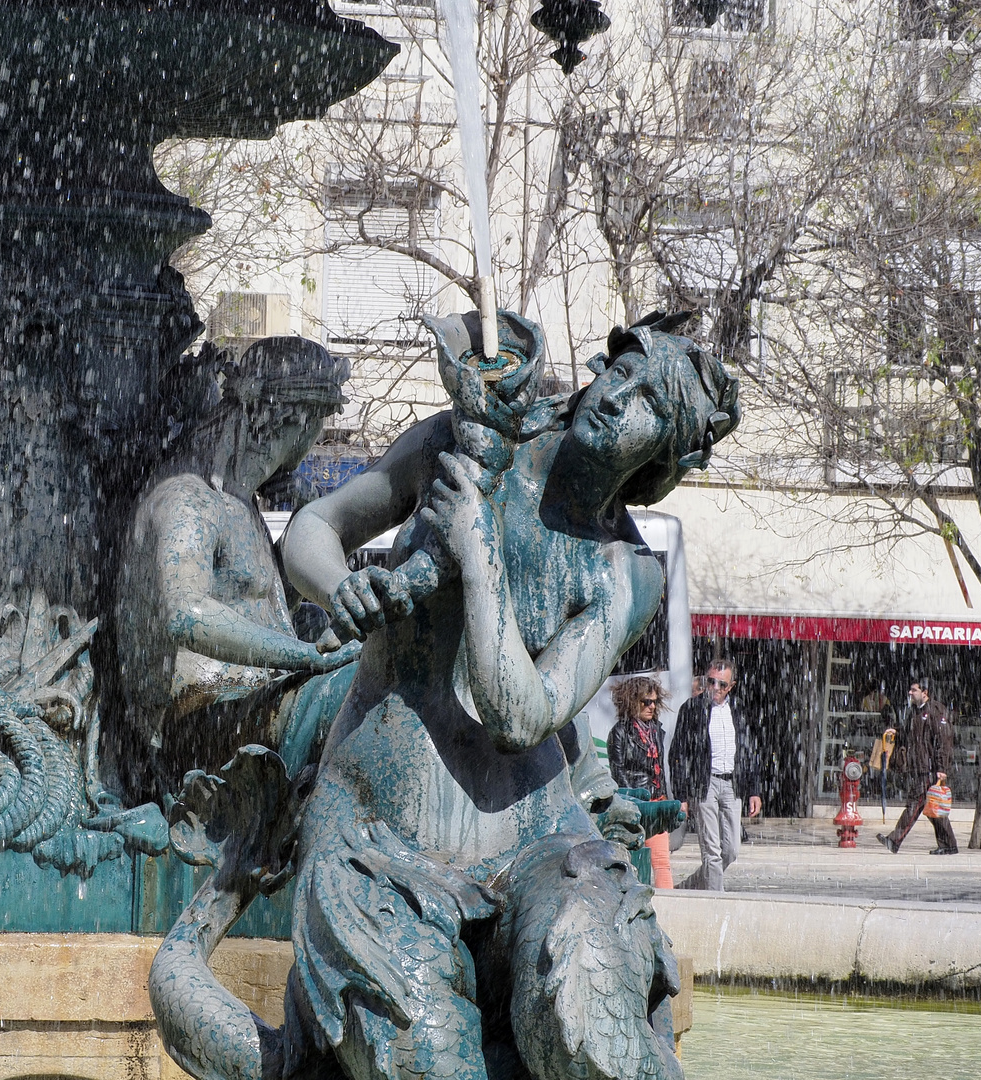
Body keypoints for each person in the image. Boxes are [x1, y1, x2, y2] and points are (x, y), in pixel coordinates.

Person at [264, 309, 736, 1078]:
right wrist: (339, 587)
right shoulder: (465, 437)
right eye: (619, 373)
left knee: (587, 1009)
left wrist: (479, 559)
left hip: (536, 841)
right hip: (377, 836)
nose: (617, 399)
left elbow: (520, 715)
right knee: (426, 1056)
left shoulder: (626, 573)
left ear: (666, 455)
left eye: (648, 404)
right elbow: (316, 525)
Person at [117, 337, 360, 801]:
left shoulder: (239, 503)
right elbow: (183, 612)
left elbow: (250, 606)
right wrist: (304, 658)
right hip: (200, 730)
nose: (313, 444)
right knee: (354, 695)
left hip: (252, 710)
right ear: (292, 419)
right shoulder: (186, 498)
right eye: (318, 427)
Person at [669, 656, 761, 891]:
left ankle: (691, 885)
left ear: (731, 686)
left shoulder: (739, 710)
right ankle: (715, 904)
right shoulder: (692, 709)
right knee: (712, 851)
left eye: (722, 684)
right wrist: (682, 796)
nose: (715, 688)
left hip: (732, 784)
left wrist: (754, 790)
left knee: (730, 850)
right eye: (711, 682)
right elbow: (678, 754)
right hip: (704, 784)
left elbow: (749, 752)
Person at [608, 675, 675, 888]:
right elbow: (618, 771)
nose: (651, 706)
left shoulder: (656, 731)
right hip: (635, 805)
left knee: (662, 862)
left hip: (657, 802)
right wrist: (636, 802)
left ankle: (670, 911)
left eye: (654, 701)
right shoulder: (620, 732)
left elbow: (660, 771)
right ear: (632, 701)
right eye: (646, 702)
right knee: (633, 863)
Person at [878, 679, 957, 855]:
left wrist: (941, 768)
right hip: (921, 767)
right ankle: (949, 845)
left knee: (914, 805)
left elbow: (944, 742)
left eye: (914, 690)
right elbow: (910, 734)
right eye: (910, 689)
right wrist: (896, 732)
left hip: (929, 770)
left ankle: (894, 840)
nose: (910, 693)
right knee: (933, 810)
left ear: (925, 692)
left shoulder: (936, 712)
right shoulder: (916, 712)